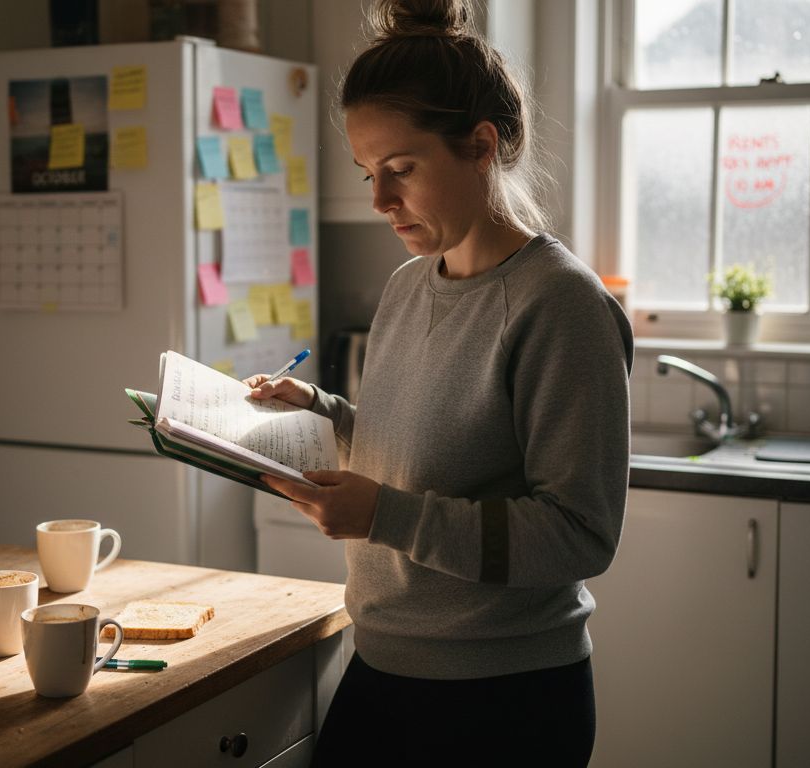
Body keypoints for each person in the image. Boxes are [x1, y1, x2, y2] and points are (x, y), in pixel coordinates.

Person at [244, 0, 632, 764]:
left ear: (481, 146)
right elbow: (420, 444)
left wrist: (385, 515)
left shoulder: (562, 305)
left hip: (505, 699)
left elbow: (579, 534)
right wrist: (322, 413)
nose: (379, 201)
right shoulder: (406, 288)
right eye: (367, 173)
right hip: (384, 666)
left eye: (401, 170)